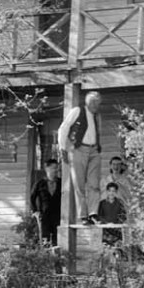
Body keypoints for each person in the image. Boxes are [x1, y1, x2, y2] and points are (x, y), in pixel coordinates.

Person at [57, 91, 104, 224]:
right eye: (94, 102)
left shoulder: (97, 116)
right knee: (79, 184)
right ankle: (83, 215)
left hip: (94, 150)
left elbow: (98, 132)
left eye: (98, 103)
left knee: (94, 183)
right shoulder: (77, 111)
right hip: (78, 149)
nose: (96, 105)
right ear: (87, 102)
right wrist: (62, 148)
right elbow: (64, 127)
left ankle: (93, 212)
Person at [29, 159, 62, 246]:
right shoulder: (40, 183)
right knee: (45, 238)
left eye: (57, 168)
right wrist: (35, 211)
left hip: (57, 215)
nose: (56, 170)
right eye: (54, 168)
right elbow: (32, 197)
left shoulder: (61, 183)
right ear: (47, 169)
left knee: (57, 238)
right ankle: (45, 256)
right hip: (44, 215)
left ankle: (56, 257)